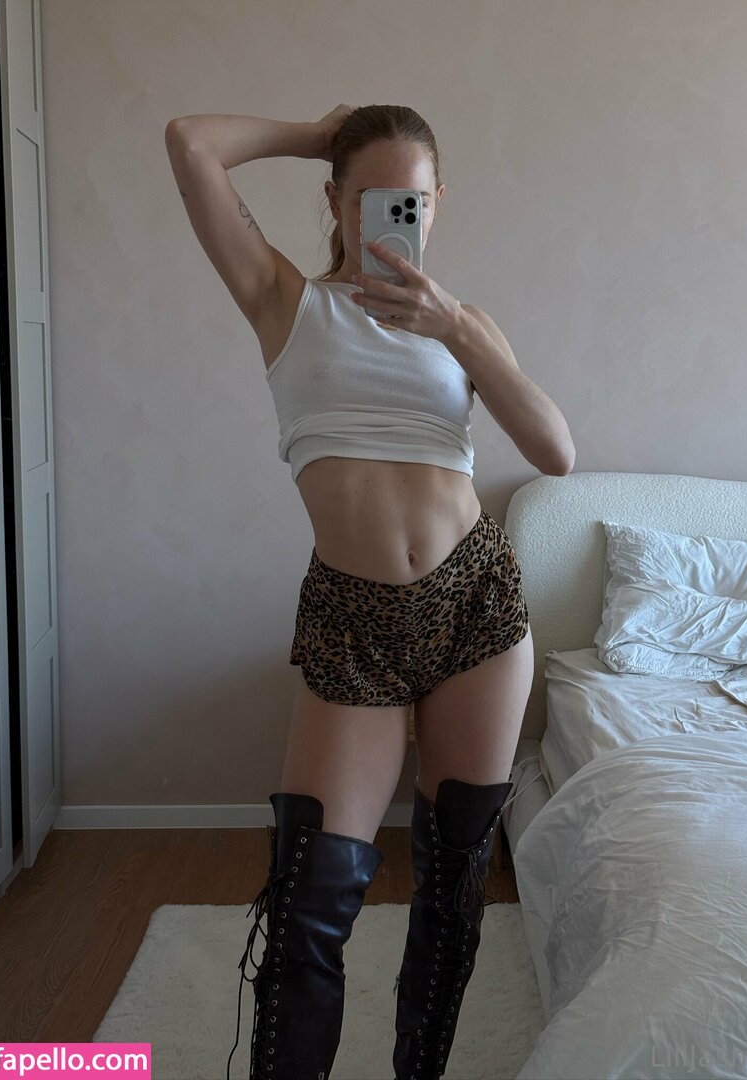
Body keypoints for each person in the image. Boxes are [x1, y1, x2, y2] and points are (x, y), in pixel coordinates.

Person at [164, 103, 575, 1080]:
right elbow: (190, 142)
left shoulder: (466, 326)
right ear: (337, 202)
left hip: (475, 609)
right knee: (309, 901)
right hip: (352, 620)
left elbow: (557, 452)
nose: (396, 218)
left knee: (453, 883)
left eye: (414, 201)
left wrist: (455, 330)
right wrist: (320, 130)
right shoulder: (284, 301)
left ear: (438, 204)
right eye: (373, 199)